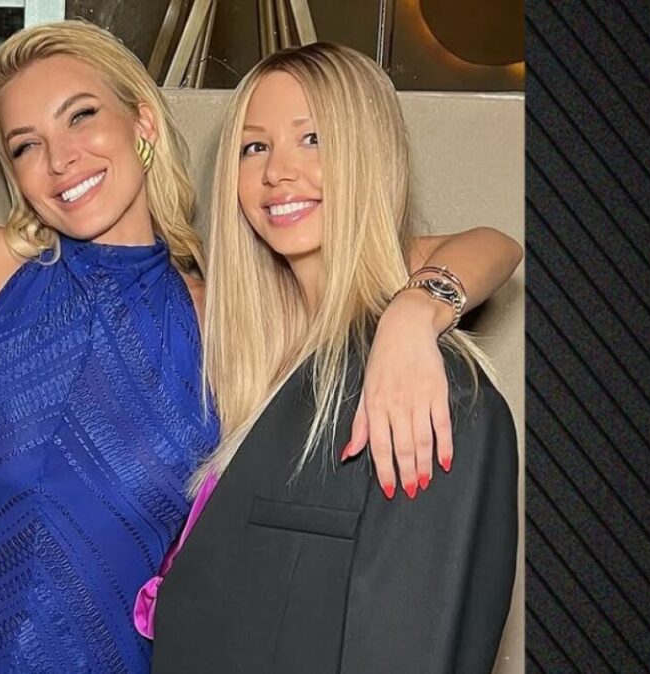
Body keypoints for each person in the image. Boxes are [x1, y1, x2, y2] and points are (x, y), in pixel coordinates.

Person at [0, 21, 521, 673]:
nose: (59, 160)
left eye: (81, 116)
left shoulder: (232, 313)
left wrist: (415, 313)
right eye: (25, 146)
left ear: (143, 124)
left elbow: (480, 244)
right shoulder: (0, 273)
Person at [147, 43, 518, 673]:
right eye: (254, 146)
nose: (277, 172)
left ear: (367, 155)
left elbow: (411, 647)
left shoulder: (426, 390)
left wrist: (414, 313)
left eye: (312, 138)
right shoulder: (261, 357)